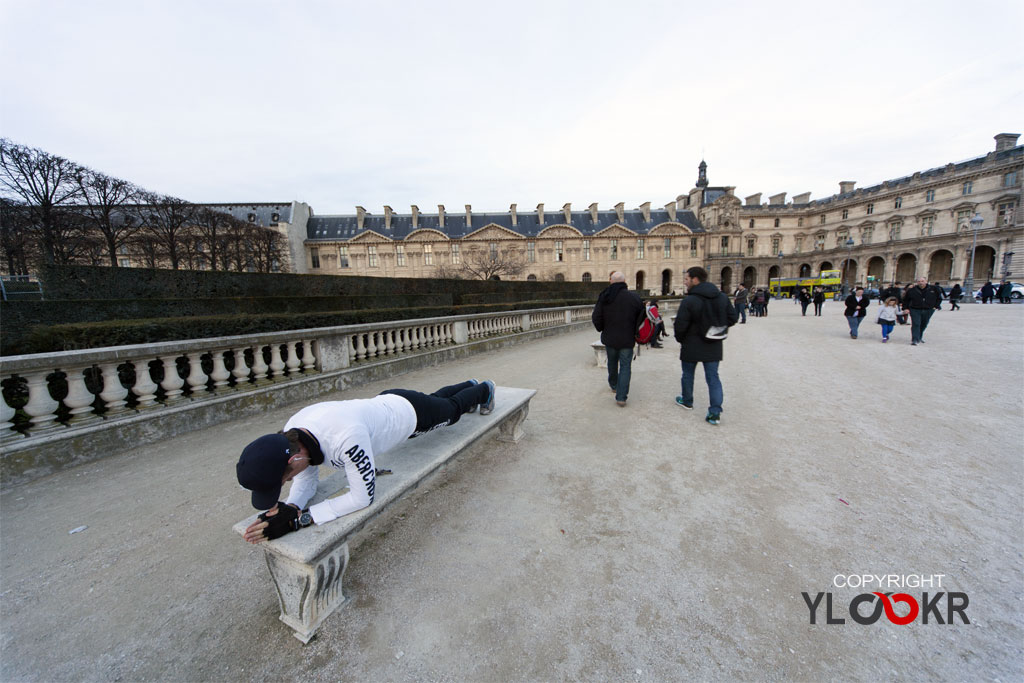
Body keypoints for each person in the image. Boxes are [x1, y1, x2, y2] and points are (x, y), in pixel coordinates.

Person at [237, 379, 496, 542]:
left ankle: (484, 389)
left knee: (450, 412)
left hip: (409, 416)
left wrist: (301, 519)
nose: (290, 481)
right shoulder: (293, 432)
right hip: (389, 403)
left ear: (295, 458)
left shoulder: (346, 438)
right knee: (439, 402)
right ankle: (469, 384)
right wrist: (293, 506)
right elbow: (306, 479)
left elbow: (362, 498)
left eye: (286, 478)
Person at [673, 266, 739, 426]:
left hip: (691, 343)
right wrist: (717, 328)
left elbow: (680, 325)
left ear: (695, 280)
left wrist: (681, 339)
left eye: (687, 279)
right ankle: (715, 413)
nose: (685, 282)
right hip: (713, 343)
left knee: (688, 374)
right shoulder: (722, 297)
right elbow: (733, 318)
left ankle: (687, 401)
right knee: (713, 378)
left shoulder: (689, 300)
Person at [592, 271, 644, 407]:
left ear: (611, 281)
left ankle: (614, 385)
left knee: (612, 363)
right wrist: (635, 329)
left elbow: (596, 316)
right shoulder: (634, 297)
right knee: (626, 366)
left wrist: (602, 328)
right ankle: (621, 397)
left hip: (610, 337)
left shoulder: (605, 296)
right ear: (624, 281)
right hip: (627, 338)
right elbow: (642, 315)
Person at [902, 276, 943, 346]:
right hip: (915, 309)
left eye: (922, 281)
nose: (921, 283)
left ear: (926, 281)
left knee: (924, 324)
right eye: (919, 281)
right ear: (917, 282)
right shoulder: (912, 290)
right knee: (916, 324)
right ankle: (915, 339)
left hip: (928, 309)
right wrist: (905, 308)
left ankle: (919, 336)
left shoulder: (934, 289)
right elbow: (906, 300)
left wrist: (935, 306)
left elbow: (939, 298)